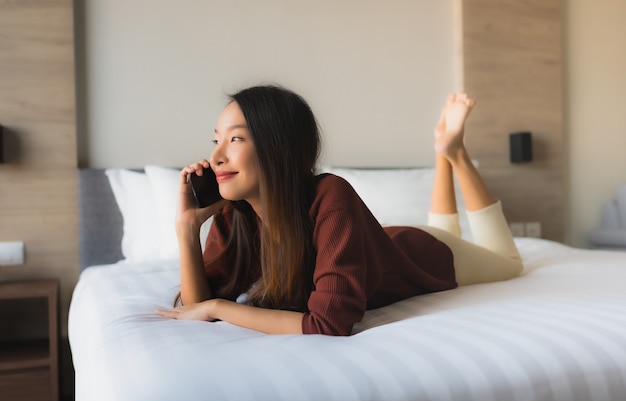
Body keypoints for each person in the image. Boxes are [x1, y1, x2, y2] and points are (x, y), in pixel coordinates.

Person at [156, 85, 523, 336]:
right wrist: (187, 229)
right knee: (448, 228)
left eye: (235, 138)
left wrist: (220, 308)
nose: (216, 155)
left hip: (428, 254)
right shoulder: (235, 215)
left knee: (509, 262)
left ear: (278, 147)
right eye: (216, 139)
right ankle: (445, 151)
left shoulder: (330, 193)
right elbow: (196, 306)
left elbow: (328, 324)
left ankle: (453, 153)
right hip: (380, 247)